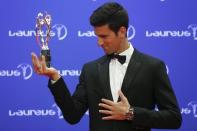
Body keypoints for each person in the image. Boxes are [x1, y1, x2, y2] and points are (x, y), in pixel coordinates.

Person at [31, 2, 182, 131]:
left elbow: (174, 118)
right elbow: (72, 116)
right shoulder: (90, 70)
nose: (99, 43)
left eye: (104, 36)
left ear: (122, 31)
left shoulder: (153, 67)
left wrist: (131, 113)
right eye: (97, 36)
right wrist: (55, 78)